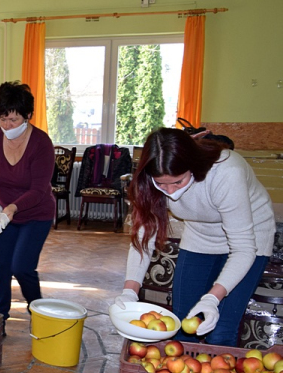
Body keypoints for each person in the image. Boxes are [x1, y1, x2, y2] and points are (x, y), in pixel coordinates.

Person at [114, 127, 274, 346]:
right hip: (201, 235)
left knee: (220, 332)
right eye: (161, 183)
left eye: (178, 182)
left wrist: (212, 298)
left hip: (250, 236)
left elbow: (244, 249)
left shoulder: (226, 172)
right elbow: (143, 240)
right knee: (183, 324)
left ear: (193, 167)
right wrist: (129, 292)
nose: (169, 191)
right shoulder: (148, 183)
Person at [0, 81, 55, 321]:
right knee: (0, 269)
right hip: (4, 216)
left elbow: (39, 189)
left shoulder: (41, 143)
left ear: (28, 116)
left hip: (36, 214)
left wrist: (12, 208)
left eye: (13, 120)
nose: (7, 125)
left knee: (21, 267)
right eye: (2, 119)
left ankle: (39, 312)